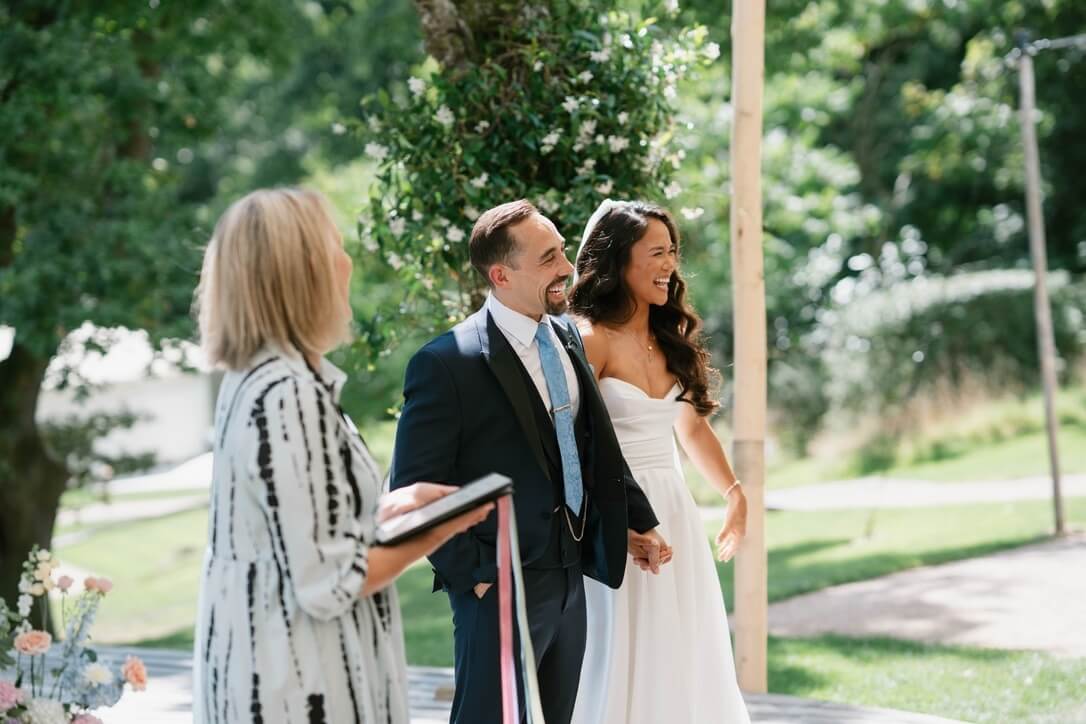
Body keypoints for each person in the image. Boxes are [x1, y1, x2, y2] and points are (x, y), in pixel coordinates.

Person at [191, 188, 492, 723]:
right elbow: (331, 582)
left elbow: (298, 535)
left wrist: (390, 510)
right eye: (335, 245)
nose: (347, 261)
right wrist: (437, 527)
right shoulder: (288, 394)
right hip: (303, 688)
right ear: (305, 269)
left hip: (264, 670)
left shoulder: (258, 381)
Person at [390, 199, 672, 724]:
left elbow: (595, 441)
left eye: (562, 251)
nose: (567, 267)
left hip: (572, 577)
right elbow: (409, 489)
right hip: (498, 586)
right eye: (548, 258)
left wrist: (636, 518)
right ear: (501, 275)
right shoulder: (445, 364)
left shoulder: (565, 336)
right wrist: (475, 576)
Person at [569, 200, 751, 724]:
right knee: (625, 645)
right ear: (619, 262)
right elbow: (577, 443)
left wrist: (733, 492)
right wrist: (618, 521)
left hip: (674, 507)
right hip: (617, 513)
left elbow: (691, 426)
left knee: (683, 644)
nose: (670, 263)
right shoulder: (589, 339)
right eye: (656, 252)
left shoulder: (669, 338)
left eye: (672, 251)